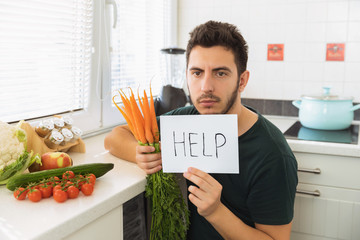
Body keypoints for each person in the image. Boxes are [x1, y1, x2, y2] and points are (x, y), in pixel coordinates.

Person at [104, 20, 298, 240]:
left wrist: (216, 212)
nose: (206, 86)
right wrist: (138, 153)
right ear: (187, 76)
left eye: (220, 73)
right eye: (197, 73)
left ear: (242, 81)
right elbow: (114, 137)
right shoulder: (186, 120)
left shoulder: (272, 154)